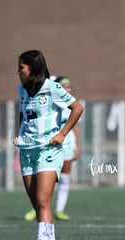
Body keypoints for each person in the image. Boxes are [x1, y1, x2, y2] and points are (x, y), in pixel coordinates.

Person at [13, 50, 83, 240]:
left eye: (21, 67)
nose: (18, 71)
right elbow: (23, 113)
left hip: (48, 151)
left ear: (32, 68)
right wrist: (19, 134)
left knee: (43, 201)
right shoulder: (22, 89)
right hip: (27, 151)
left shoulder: (52, 88)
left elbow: (77, 108)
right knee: (37, 202)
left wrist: (62, 134)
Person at [23, 76, 80, 221]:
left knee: (64, 178)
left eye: (70, 86)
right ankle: (37, 208)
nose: (68, 89)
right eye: (65, 86)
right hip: (48, 145)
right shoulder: (50, 102)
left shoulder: (69, 106)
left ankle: (59, 209)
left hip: (66, 145)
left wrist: (77, 146)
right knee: (42, 182)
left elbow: (76, 126)